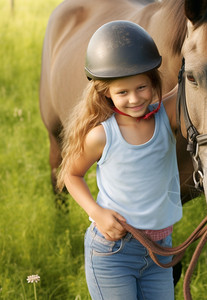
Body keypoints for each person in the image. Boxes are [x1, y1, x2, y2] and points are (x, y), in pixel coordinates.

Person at [56, 20, 182, 300]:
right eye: (122, 92)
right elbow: (71, 175)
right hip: (114, 251)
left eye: (141, 87)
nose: (135, 99)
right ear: (106, 93)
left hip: (161, 251)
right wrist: (97, 214)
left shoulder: (166, 115)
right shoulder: (102, 135)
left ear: (153, 83)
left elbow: (198, 87)